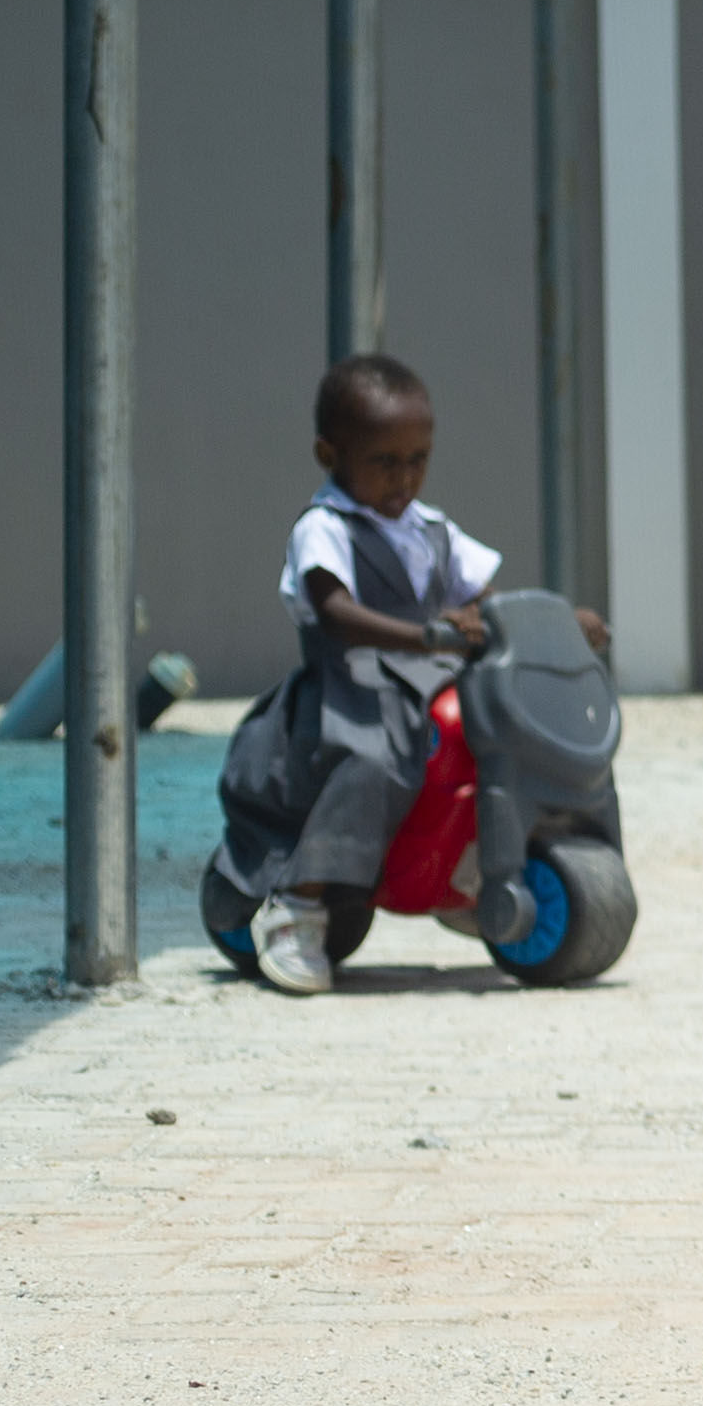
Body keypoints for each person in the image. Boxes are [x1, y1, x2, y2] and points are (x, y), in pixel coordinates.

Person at [216, 354, 604, 998]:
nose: (404, 477)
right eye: (384, 461)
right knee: (374, 765)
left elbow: (485, 599)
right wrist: (423, 634)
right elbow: (334, 610)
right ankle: (298, 906)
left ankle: (473, 869)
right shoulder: (324, 529)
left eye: (417, 459)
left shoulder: (432, 529)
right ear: (330, 454)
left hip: (431, 682)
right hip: (355, 689)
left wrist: (560, 621)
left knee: (496, 738)